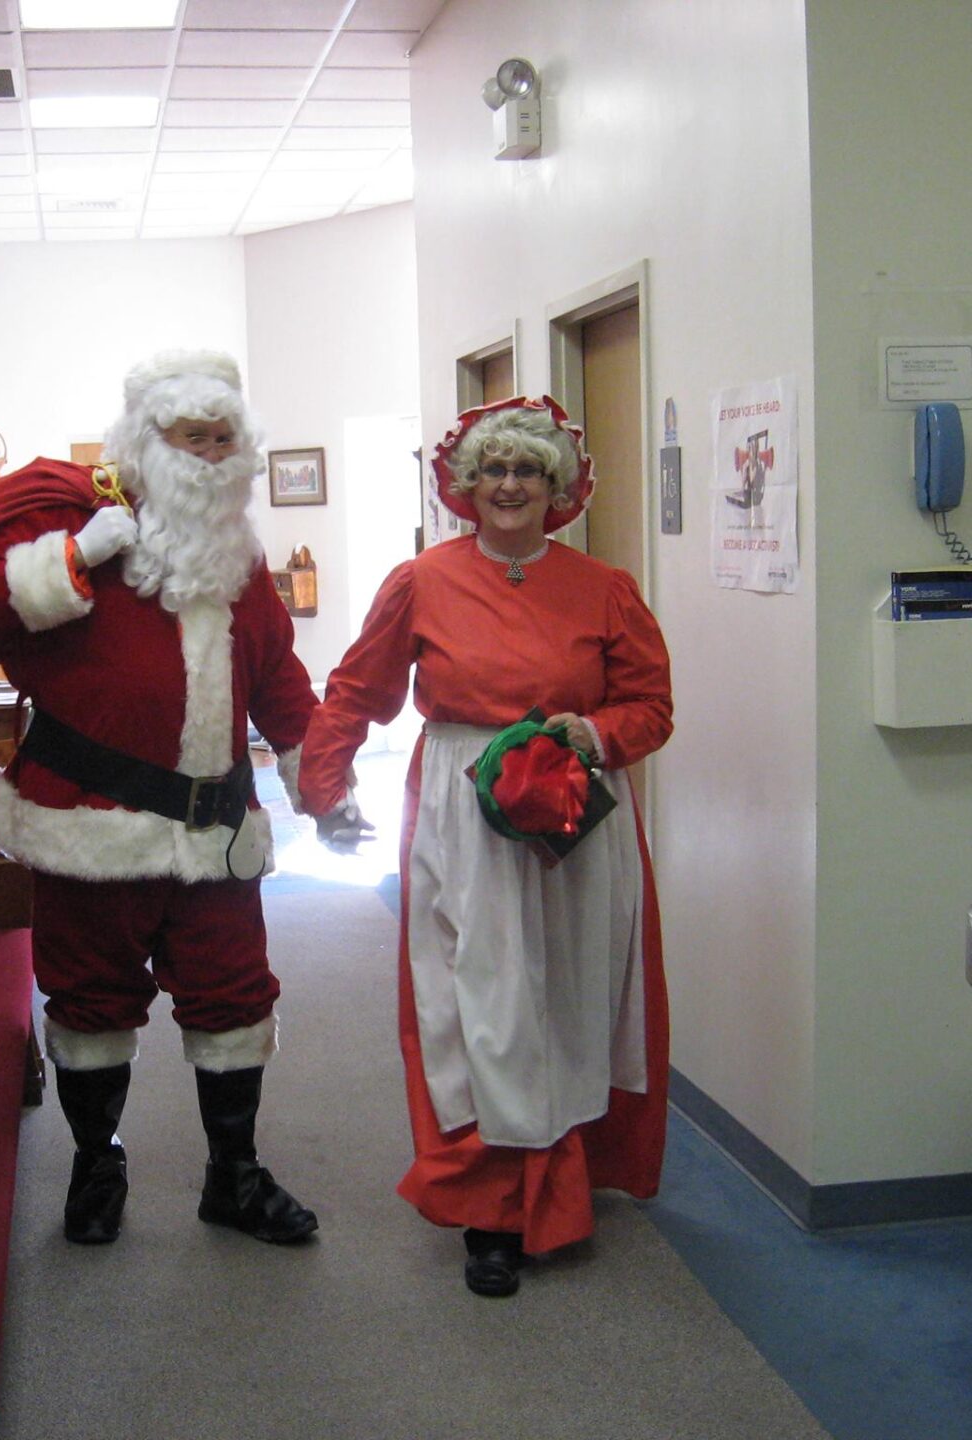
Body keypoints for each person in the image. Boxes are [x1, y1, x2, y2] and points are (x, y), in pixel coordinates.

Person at [0, 350, 320, 1248]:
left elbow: (279, 677)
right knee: (89, 1003)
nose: (206, 454)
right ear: (145, 447)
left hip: (216, 841)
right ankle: (97, 1164)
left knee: (236, 1001)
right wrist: (75, 560)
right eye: (188, 437)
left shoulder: (242, 565)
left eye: (221, 438)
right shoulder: (85, 535)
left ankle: (234, 1178)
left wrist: (317, 764)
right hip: (91, 829)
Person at [297, 395, 673, 1297]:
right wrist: (324, 783)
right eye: (494, 470)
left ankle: (561, 1175)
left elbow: (652, 708)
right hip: (464, 807)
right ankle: (492, 1209)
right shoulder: (421, 580)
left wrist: (595, 733)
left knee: (572, 995)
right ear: (466, 485)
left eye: (529, 471)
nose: (510, 486)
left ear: (558, 486)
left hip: (577, 811)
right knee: (479, 1003)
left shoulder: (606, 587)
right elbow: (355, 690)